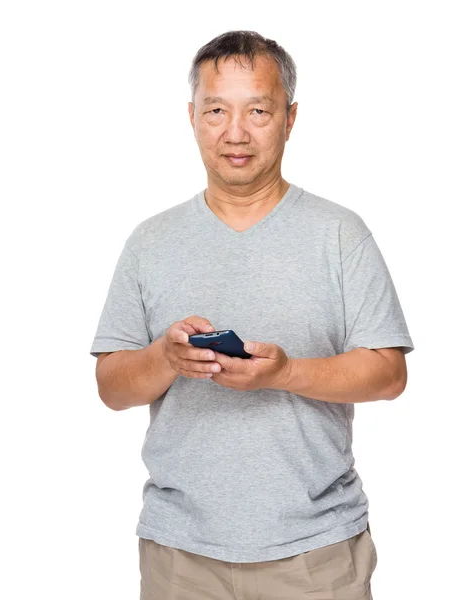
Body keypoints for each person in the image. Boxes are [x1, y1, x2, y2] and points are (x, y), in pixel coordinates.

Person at [90, 29, 414, 600]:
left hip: (317, 553)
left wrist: (285, 373)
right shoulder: (150, 241)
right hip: (179, 556)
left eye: (257, 110)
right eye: (216, 110)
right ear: (191, 116)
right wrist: (165, 358)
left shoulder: (340, 234)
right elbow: (111, 389)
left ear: (289, 118)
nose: (235, 133)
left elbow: (389, 375)